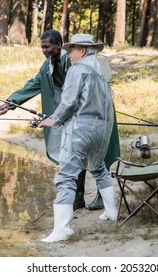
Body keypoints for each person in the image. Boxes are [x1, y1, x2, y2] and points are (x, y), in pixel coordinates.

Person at [0, 30, 120, 212]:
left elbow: (76, 95)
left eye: (47, 47)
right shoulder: (48, 66)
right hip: (73, 116)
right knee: (75, 155)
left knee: (99, 155)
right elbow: (34, 84)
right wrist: (10, 102)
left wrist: (56, 119)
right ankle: (78, 198)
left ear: (59, 45)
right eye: (42, 47)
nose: (44, 51)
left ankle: (100, 200)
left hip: (95, 113)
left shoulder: (75, 62)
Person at [38, 34, 118, 243]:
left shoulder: (77, 69)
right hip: (101, 129)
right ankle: (111, 212)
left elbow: (69, 102)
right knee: (98, 167)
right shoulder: (101, 71)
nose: (69, 55)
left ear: (82, 51)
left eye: (71, 50)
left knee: (65, 176)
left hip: (81, 129)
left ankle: (61, 229)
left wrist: (53, 120)